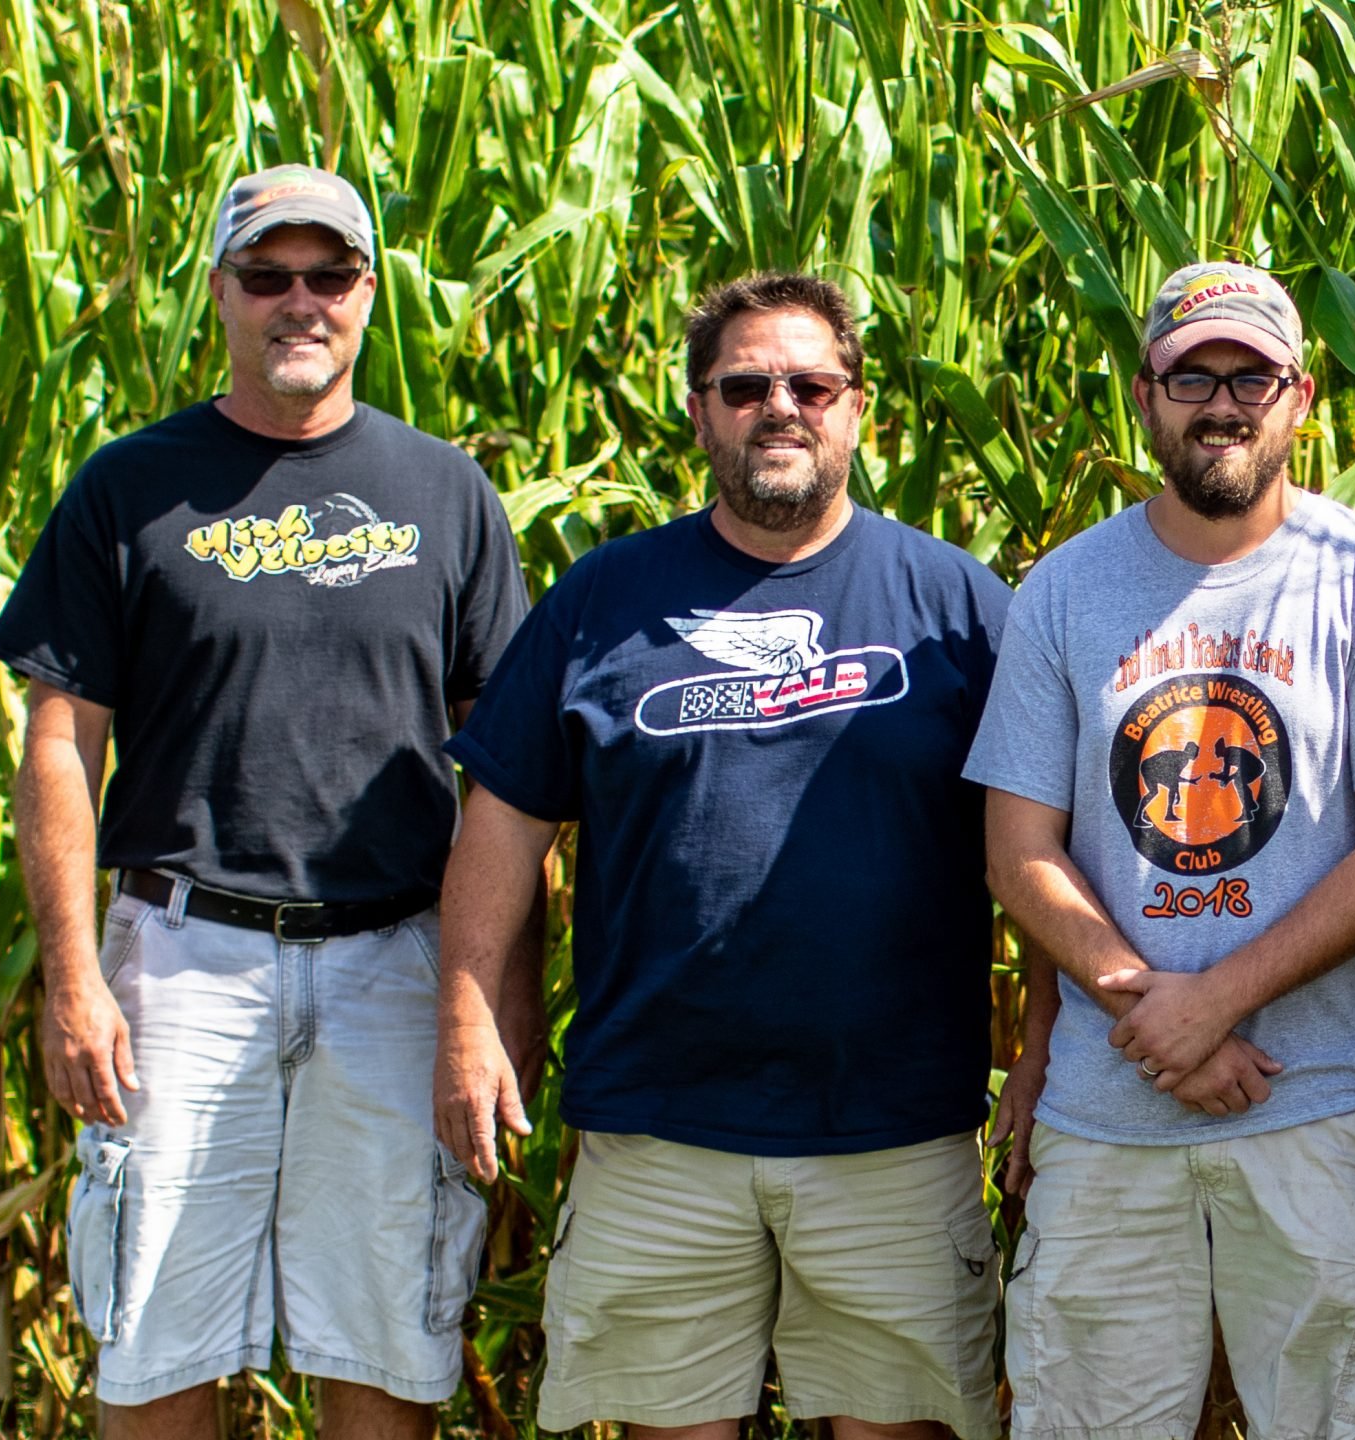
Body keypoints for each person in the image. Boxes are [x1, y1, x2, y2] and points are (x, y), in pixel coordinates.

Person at [0, 164, 532, 1437]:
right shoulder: (128, 489)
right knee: (156, 1343)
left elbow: (507, 773)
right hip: (181, 963)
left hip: (394, 962)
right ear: (222, 293)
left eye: (328, 275)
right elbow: (59, 740)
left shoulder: (446, 493)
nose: (301, 301)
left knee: (388, 1341)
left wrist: (492, 1003)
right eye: (269, 276)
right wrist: (73, 978)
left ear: (367, 293)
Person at [434, 273, 1012, 1440]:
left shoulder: (956, 604)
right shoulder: (604, 599)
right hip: (660, 1128)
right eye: (745, 387)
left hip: (891, 1129)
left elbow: (1040, 841)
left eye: (811, 384)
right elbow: (502, 819)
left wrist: (1043, 1044)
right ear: (699, 414)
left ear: (859, 411)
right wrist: (465, 1018)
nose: (780, 408)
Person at [966, 261, 1355, 1438]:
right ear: (1145, 394)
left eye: (1253, 377)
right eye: (1195, 375)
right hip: (1108, 1108)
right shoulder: (1066, 592)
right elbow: (1016, 843)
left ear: (1301, 398)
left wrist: (1218, 1000)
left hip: (1316, 1103)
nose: (1224, 402)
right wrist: (1151, 1006)